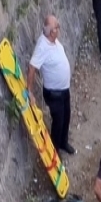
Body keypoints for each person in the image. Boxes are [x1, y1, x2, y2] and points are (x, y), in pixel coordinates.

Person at [28, 15, 77, 156]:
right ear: (51, 32)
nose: (59, 28)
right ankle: (54, 152)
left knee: (66, 116)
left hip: (64, 89)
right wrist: (30, 92)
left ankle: (63, 142)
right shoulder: (42, 46)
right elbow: (32, 68)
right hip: (54, 93)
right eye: (56, 26)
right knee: (58, 122)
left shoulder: (53, 41)